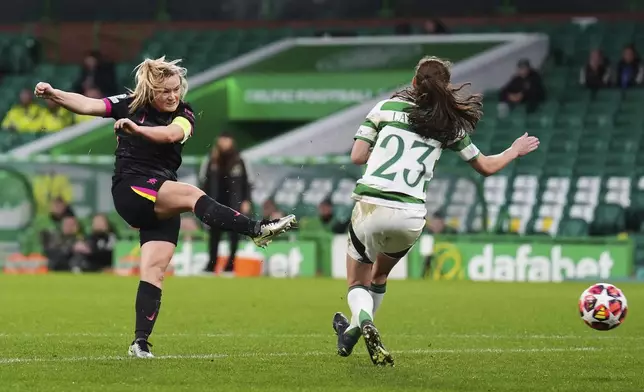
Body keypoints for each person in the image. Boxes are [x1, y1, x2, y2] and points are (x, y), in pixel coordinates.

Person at [34, 56, 296, 358]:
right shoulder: (130, 104)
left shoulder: (184, 112)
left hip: (161, 196)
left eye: (176, 89)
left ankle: (140, 342)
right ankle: (255, 229)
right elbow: (89, 105)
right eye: (165, 91)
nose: (173, 96)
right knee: (189, 194)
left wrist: (137, 131)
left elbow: (171, 134)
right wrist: (54, 94)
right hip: (131, 189)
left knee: (154, 271)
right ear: (150, 91)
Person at [331, 56, 539, 366]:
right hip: (410, 216)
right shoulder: (449, 125)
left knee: (357, 283)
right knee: (380, 276)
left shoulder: (386, 109)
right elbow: (485, 167)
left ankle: (363, 320)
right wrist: (512, 151)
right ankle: (350, 332)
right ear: (446, 88)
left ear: (414, 83)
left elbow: (358, 155)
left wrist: (382, 150)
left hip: (371, 205)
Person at [201, 132, 252, 274]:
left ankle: (230, 266)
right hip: (215, 203)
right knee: (214, 236)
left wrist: (246, 200)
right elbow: (204, 182)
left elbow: (247, 183)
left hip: (234, 203)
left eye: (227, 140)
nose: (224, 143)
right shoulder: (211, 160)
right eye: (222, 140)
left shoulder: (239, 160)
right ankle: (211, 266)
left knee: (234, 236)